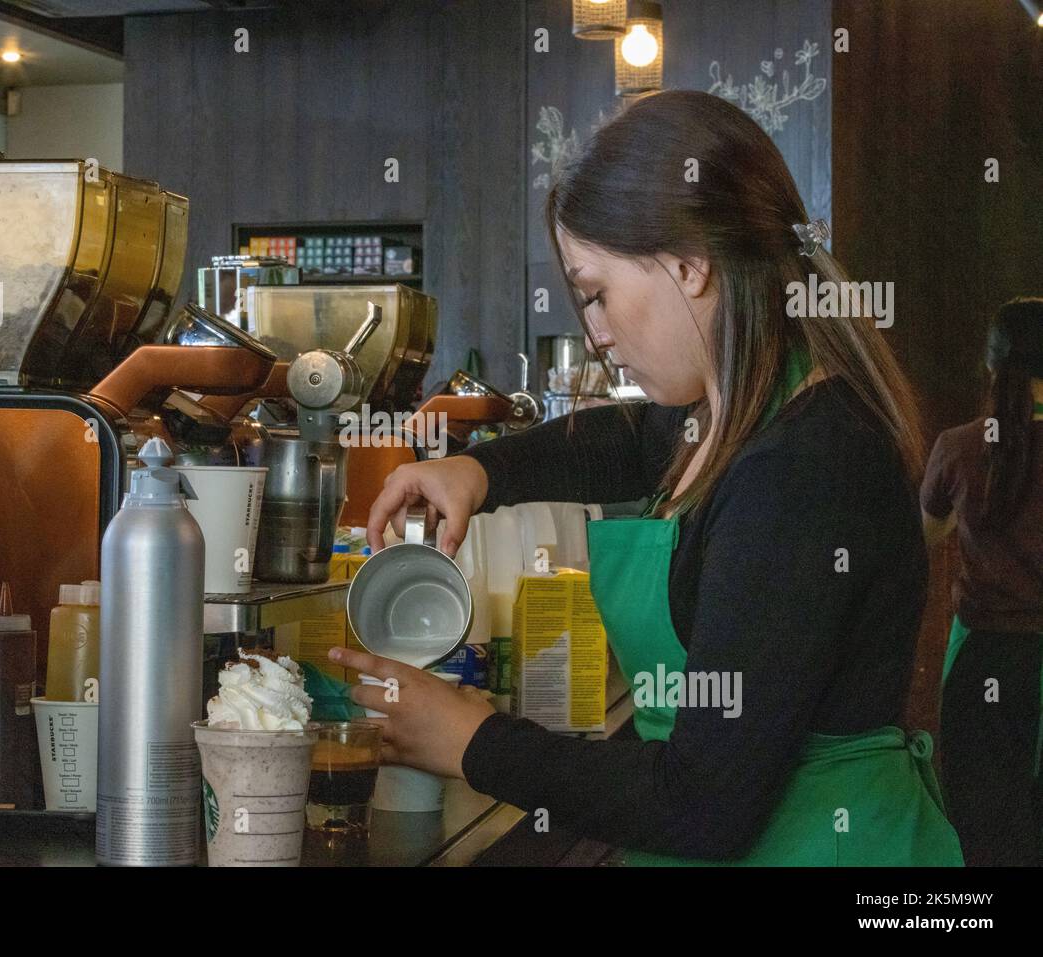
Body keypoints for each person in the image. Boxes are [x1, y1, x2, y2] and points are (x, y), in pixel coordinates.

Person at [327, 89, 963, 865]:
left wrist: (470, 739)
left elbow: (699, 804)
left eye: (596, 292)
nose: (594, 331)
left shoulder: (803, 471)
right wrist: (476, 469)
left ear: (690, 265)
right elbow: (625, 440)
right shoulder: (745, 412)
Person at [922, 297, 1043, 866]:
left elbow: (922, 539)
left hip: (983, 666)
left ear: (991, 366)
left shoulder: (959, 447)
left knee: (982, 832)